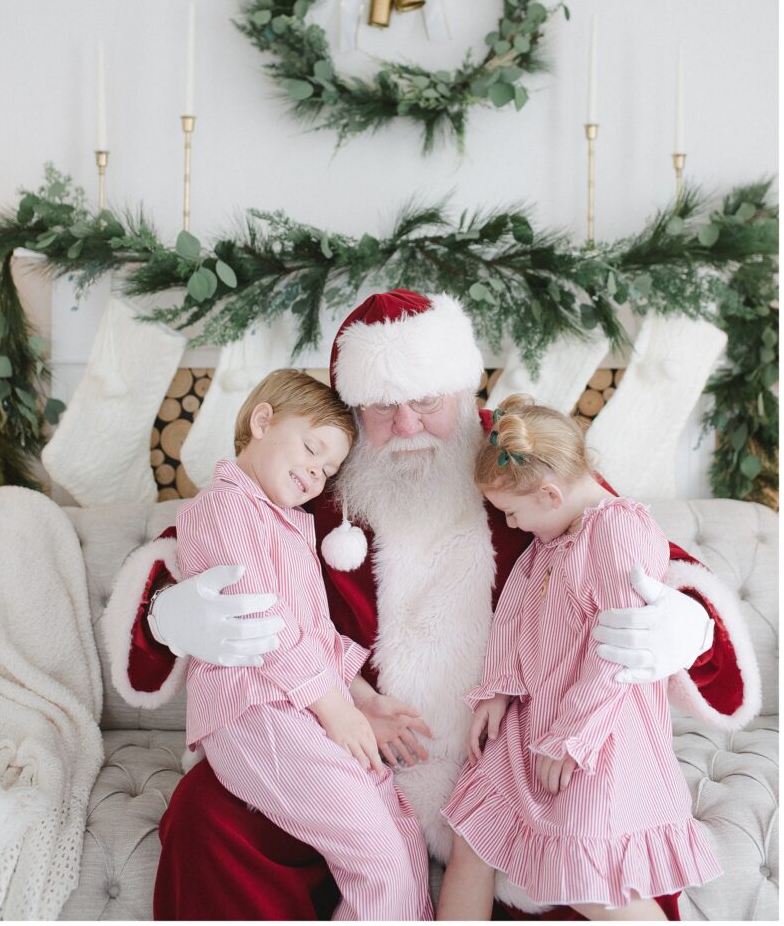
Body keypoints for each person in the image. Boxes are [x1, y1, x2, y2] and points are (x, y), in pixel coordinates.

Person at [103, 289, 759, 921]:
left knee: (593, 846)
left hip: (515, 753)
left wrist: (691, 625)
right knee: (207, 820)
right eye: (382, 409)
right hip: (343, 753)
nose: (407, 424)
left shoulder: (514, 467)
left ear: (462, 386)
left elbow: (638, 553)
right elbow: (201, 541)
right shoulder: (317, 476)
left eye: (425, 400)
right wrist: (165, 617)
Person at [437, 397, 723, 922]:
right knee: (470, 839)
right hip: (531, 722)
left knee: (593, 882)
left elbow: (617, 651)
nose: (512, 524)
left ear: (549, 493)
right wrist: (499, 687)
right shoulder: (551, 537)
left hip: (598, 735)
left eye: (512, 513)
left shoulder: (619, 533)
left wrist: (572, 736)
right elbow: (515, 614)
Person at [177, 369, 431, 921]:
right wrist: (337, 709)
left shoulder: (290, 523)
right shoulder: (224, 508)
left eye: (328, 468)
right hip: (254, 710)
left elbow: (313, 631)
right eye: (311, 449)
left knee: (400, 828)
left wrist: (362, 700)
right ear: (263, 420)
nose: (316, 472)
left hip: (302, 704)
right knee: (378, 858)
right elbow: (264, 621)